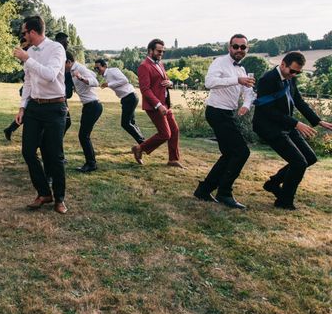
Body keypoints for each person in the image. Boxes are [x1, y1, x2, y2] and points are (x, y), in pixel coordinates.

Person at [253, 52, 332, 210]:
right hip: (268, 127)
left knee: (310, 158)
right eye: (292, 71)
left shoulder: (290, 78)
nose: (294, 74)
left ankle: (273, 183)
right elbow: (268, 111)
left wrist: (318, 120)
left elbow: (298, 101)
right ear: (283, 64)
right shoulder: (267, 80)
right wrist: (296, 123)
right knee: (298, 163)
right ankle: (284, 201)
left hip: (286, 126)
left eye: (298, 72)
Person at [193, 34, 255, 209]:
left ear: (246, 49)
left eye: (243, 47)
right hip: (216, 112)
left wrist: (247, 105)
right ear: (229, 47)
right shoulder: (220, 62)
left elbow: (249, 91)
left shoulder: (242, 70)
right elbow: (209, 82)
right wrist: (236, 80)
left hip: (228, 113)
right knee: (242, 152)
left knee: (229, 154)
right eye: (236, 46)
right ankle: (224, 193)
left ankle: (204, 190)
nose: (239, 50)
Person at [14, 16, 68, 214]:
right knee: (28, 151)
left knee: (55, 155)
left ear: (33, 32)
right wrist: (22, 107)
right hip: (34, 108)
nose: (23, 36)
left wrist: (28, 59)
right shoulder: (29, 52)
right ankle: (44, 192)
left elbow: (50, 75)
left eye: (24, 33)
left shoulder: (56, 49)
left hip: (55, 107)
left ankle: (59, 198)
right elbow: (28, 82)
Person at [132, 39, 183, 168]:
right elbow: (145, 89)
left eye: (163, 51)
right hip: (154, 106)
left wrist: (170, 83)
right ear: (150, 51)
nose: (161, 53)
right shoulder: (144, 66)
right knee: (165, 134)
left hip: (165, 104)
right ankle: (139, 148)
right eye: (159, 51)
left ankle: (173, 159)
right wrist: (158, 105)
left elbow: (164, 80)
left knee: (175, 130)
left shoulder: (159, 63)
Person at [66, 52, 103, 173]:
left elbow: (95, 81)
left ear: (69, 62)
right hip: (88, 106)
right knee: (84, 135)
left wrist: (82, 78)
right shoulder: (73, 69)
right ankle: (91, 163)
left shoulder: (79, 69)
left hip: (93, 106)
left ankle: (91, 164)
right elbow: (92, 73)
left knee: (83, 136)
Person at [94, 58, 145, 145]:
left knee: (125, 123)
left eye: (98, 68)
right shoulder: (106, 76)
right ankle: (143, 143)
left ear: (105, 66)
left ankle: (143, 143)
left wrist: (108, 84)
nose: (97, 70)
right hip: (127, 98)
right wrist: (107, 85)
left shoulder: (112, 70)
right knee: (131, 122)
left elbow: (125, 80)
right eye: (95, 69)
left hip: (130, 97)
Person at [3, 37, 31, 141]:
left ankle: (9, 129)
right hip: (29, 89)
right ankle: (9, 129)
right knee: (27, 114)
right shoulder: (28, 54)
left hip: (31, 88)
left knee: (26, 114)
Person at [55, 32, 73, 134]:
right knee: (66, 121)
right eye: (66, 41)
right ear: (60, 41)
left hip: (63, 94)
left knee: (66, 122)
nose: (68, 43)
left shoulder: (63, 53)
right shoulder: (58, 53)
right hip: (59, 93)